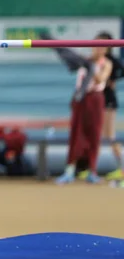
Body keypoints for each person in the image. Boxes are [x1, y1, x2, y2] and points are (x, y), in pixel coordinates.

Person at [44, 31, 124, 181]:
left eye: (102, 46)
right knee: (76, 134)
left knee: (96, 134)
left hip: (96, 98)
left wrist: (92, 67)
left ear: (106, 49)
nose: (98, 49)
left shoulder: (107, 63)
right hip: (81, 98)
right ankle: (70, 170)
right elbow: (73, 69)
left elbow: (101, 79)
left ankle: (92, 171)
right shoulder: (85, 60)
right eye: (96, 45)